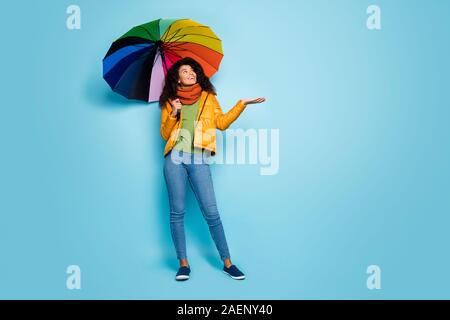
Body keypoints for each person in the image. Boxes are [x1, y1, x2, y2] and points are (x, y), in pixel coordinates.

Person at [159, 57, 265, 281]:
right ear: (176, 77)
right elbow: (164, 134)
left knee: (211, 213)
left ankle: (227, 263)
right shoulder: (170, 100)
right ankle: (183, 264)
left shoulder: (208, 97)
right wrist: (173, 113)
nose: (190, 73)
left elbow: (222, 123)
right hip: (174, 158)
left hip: (198, 157)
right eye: (185, 71)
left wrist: (241, 104)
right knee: (177, 213)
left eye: (193, 70)